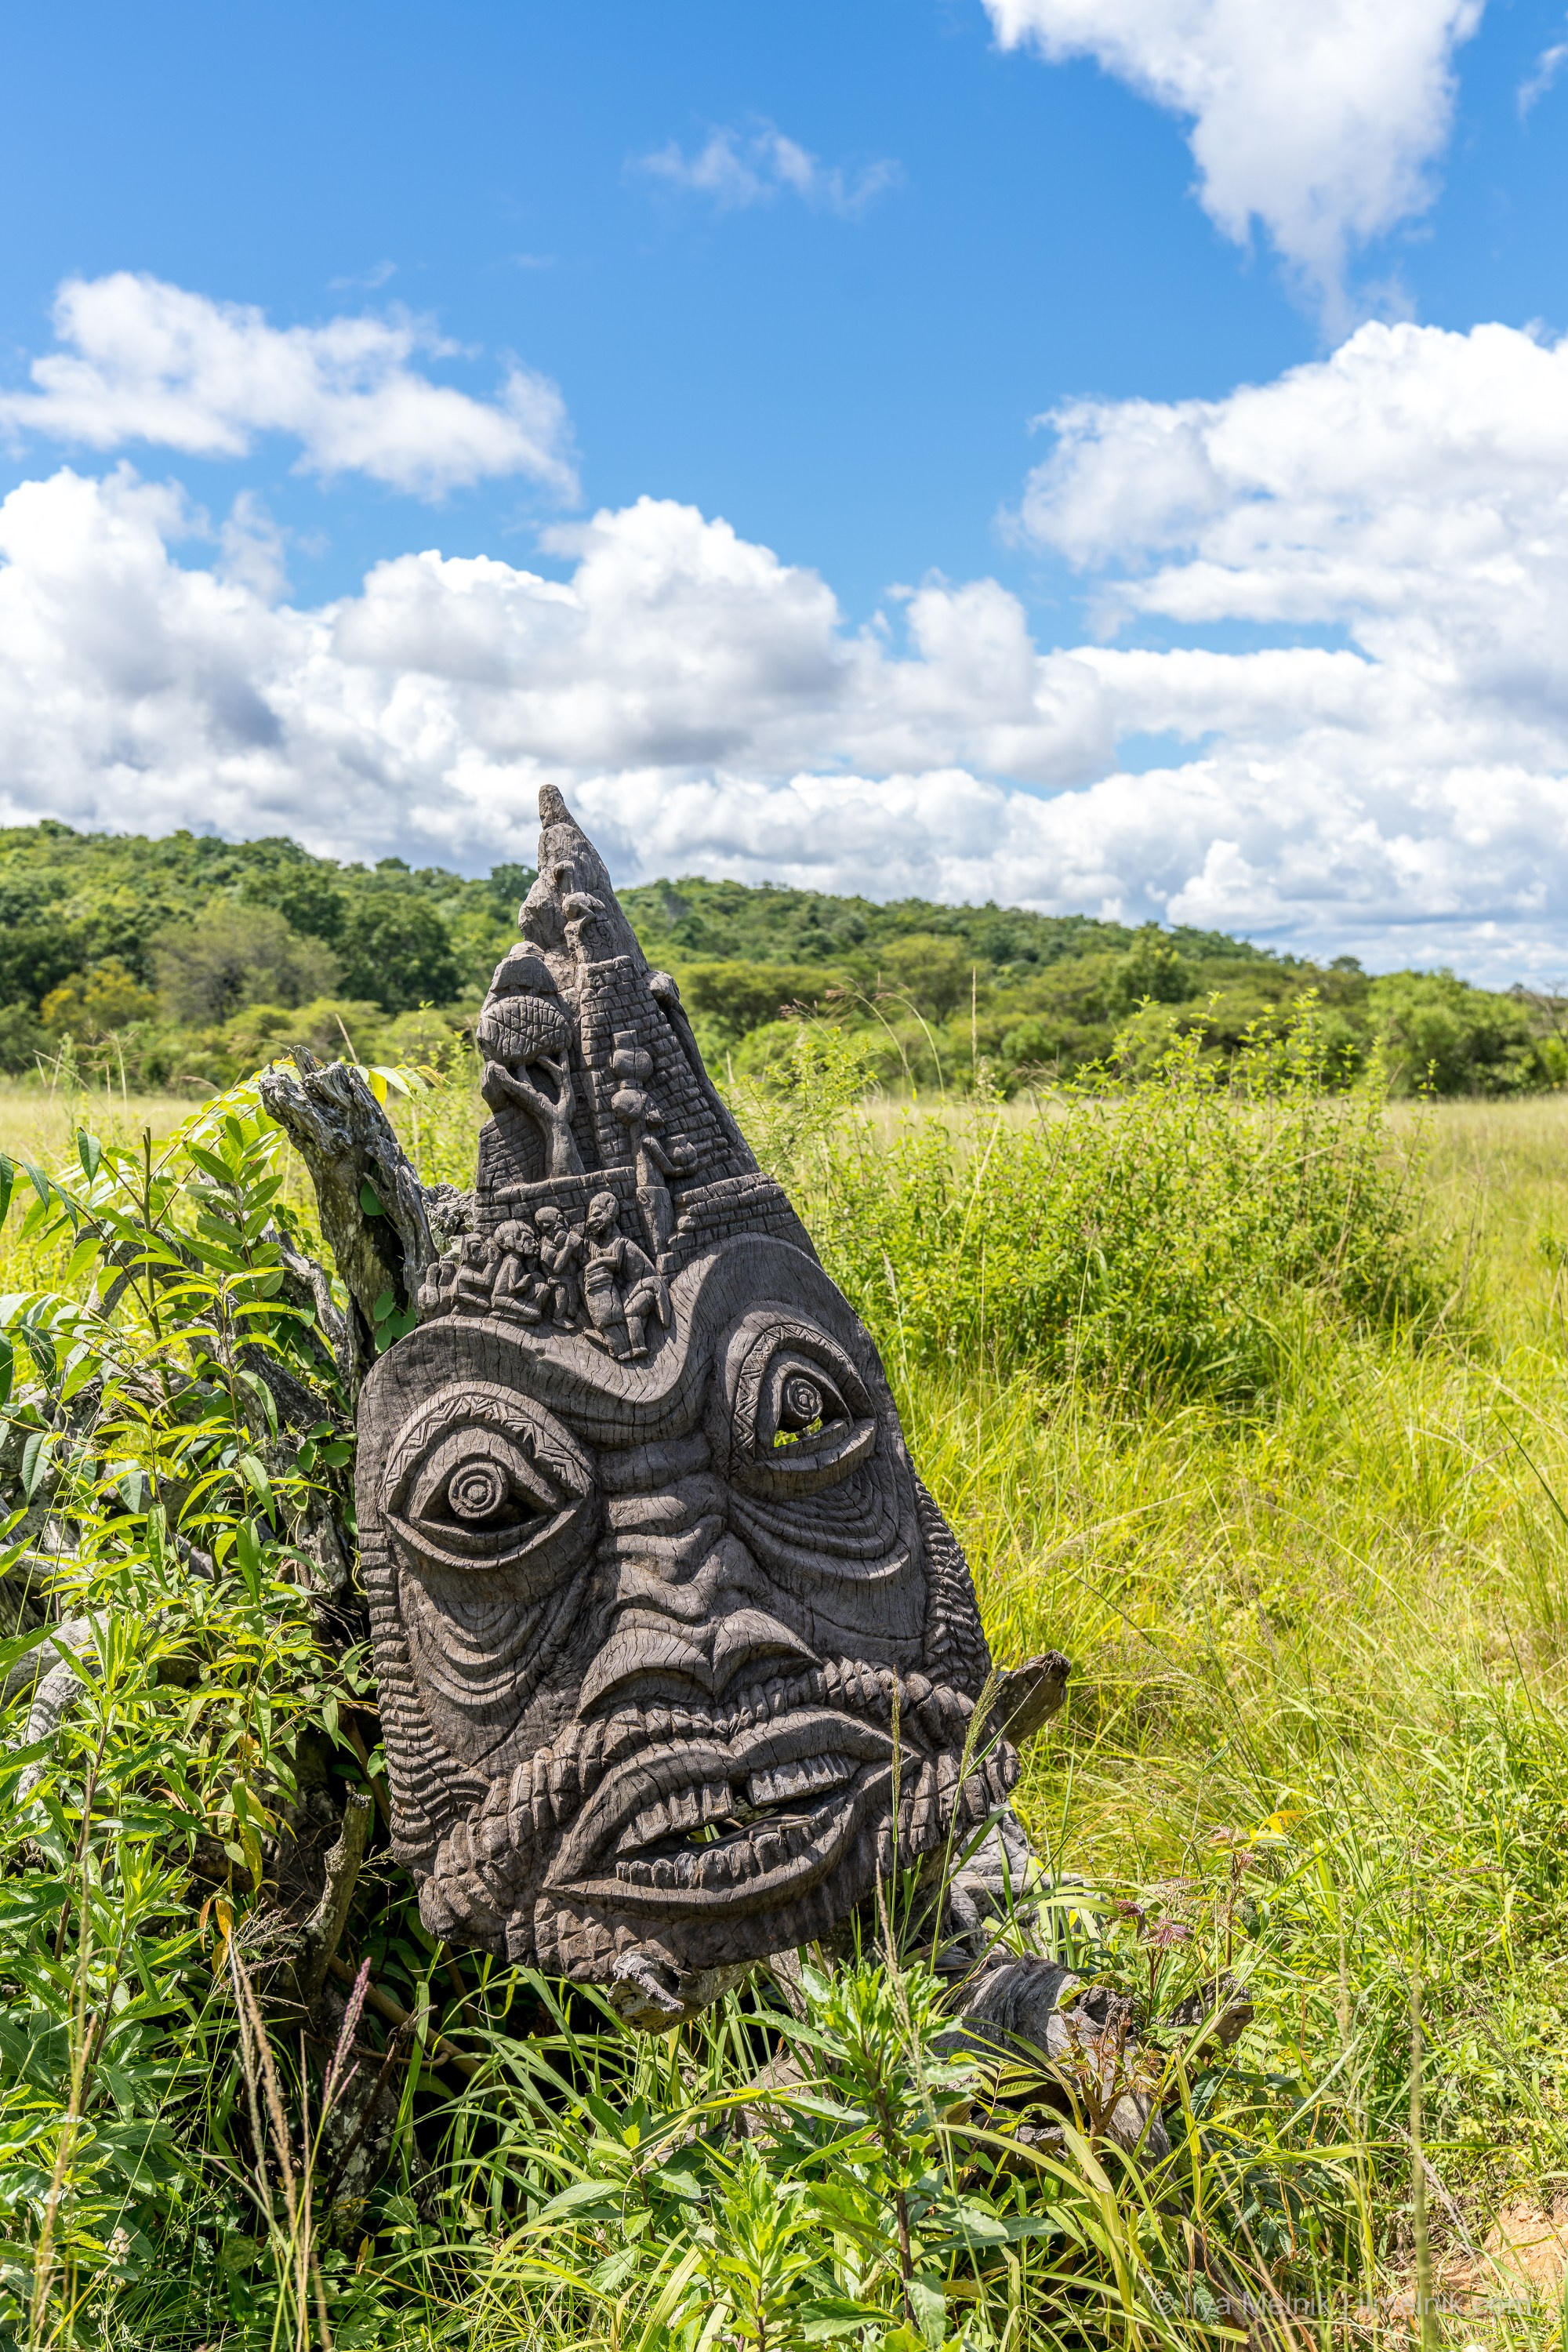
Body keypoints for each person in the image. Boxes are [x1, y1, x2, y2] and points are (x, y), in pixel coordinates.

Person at [580, 1190, 669, 1362]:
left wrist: (599, 1260)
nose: (592, 1221)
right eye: (591, 1216)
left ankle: (638, 1347)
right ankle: (617, 1341)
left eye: (597, 1214)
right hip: (632, 1287)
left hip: (647, 1284)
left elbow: (615, 1264)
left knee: (630, 1312)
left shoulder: (620, 1242)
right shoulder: (607, 1243)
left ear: (611, 1212)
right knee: (617, 1311)